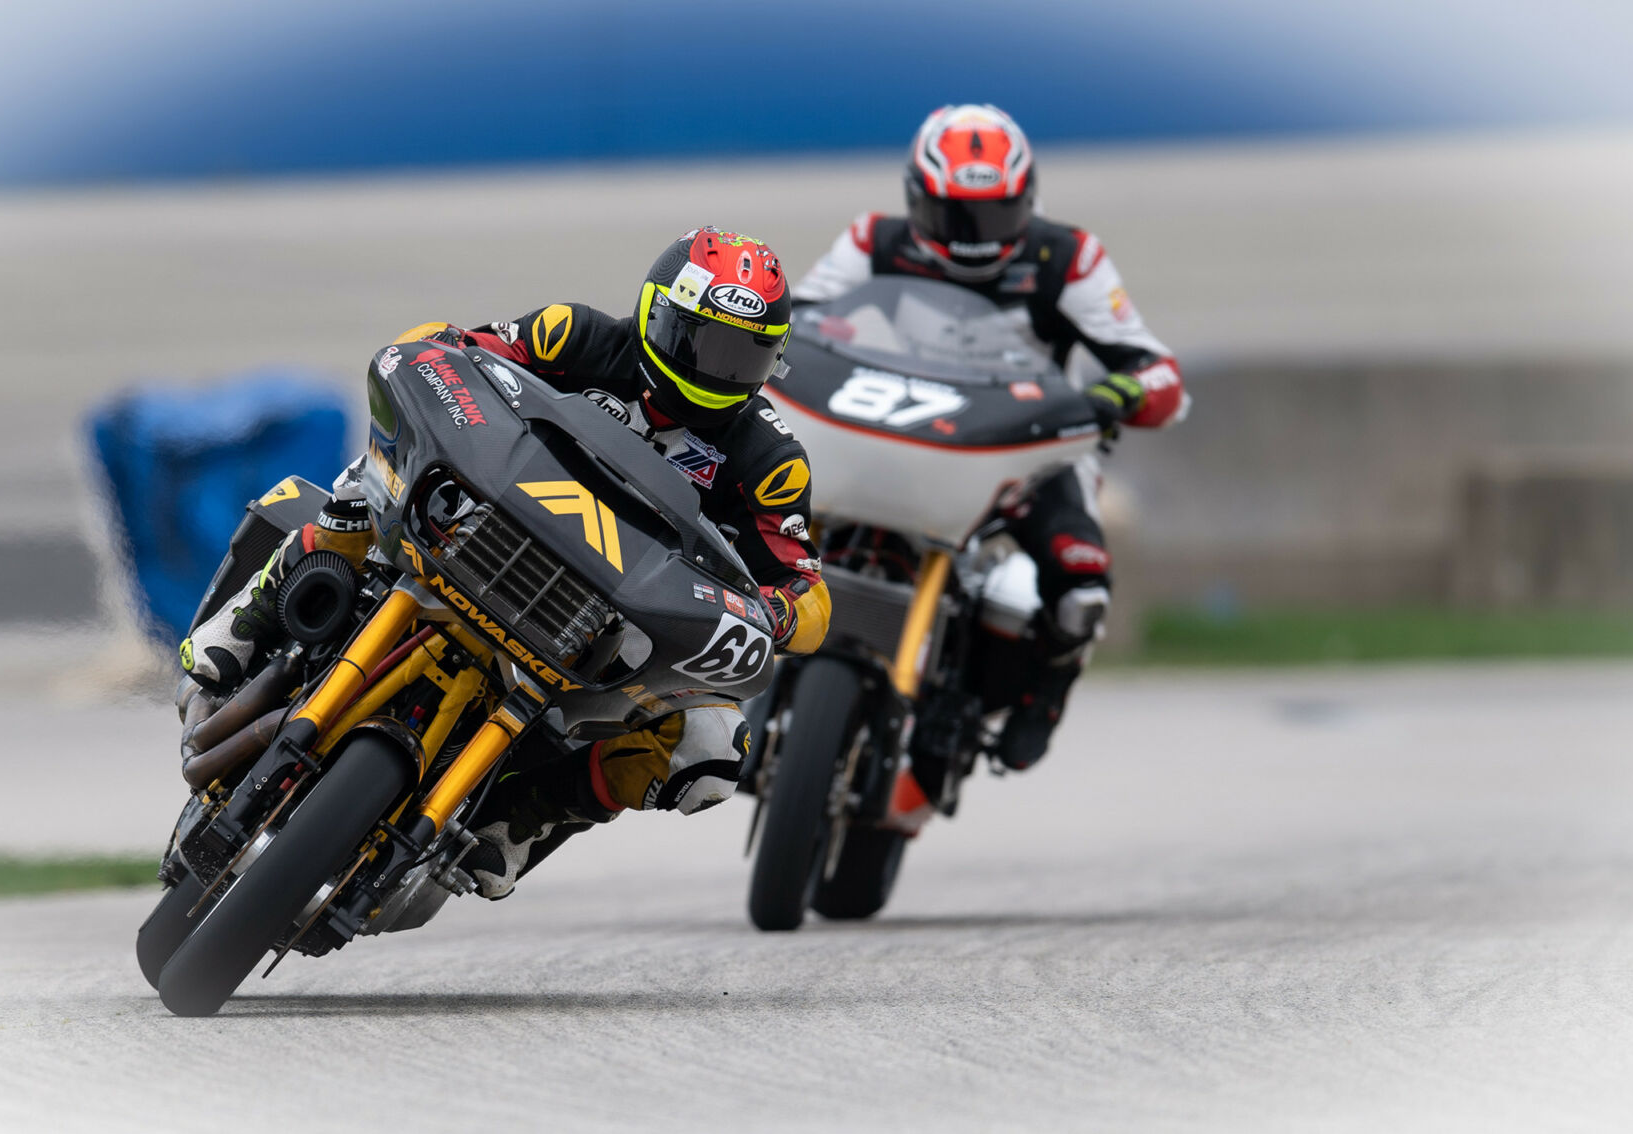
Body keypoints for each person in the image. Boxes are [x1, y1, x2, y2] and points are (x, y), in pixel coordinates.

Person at [179, 226, 830, 897]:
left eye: (743, 357)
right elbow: (452, 355)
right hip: (475, 534)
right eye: (705, 343)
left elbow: (807, 590)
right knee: (363, 485)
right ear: (657, 315)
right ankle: (250, 621)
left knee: (717, 749)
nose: (717, 370)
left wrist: (776, 609)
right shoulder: (571, 335)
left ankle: (518, 823)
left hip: (600, 625)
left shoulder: (769, 461)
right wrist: (434, 353)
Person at [795, 104, 1188, 773]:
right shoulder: (871, 241)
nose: (975, 237)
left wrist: (1122, 392)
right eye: (955, 216)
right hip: (884, 419)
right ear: (916, 198)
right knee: (760, 493)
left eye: (995, 215)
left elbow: (1157, 371)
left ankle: (1044, 698)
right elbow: (796, 320)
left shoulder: (1070, 258)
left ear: (1026, 201)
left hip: (1017, 445)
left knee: (1080, 579)